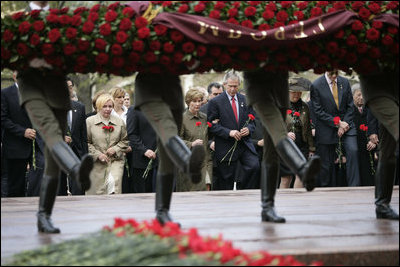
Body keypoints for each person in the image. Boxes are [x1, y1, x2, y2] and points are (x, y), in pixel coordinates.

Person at [243, 69, 321, 223]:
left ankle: (267, 207)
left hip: (279, 92)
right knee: (279, 132)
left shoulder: (300, 105)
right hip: (260, 90)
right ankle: (302, 168)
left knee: (271, 153)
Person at [134, 72, 206, 225]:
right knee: (168, 130)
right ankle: (187, 163)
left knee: (167, 156)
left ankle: (162, 211)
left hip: (173, 94)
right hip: (150, 91)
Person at [207, 71, 260, 190]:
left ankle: (244, 191)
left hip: (244, 143)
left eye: (235, 86)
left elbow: (253, 121)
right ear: (224, 84)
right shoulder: (216, 102)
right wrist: (228, 132)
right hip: (226, 145)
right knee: (227, 178)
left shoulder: (245, 100)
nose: (232, 89)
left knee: (254, 166)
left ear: (239, 85)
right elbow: (211, 125)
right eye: (230, 86)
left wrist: (248, 129)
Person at [359, 71, 398, 220]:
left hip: (394, 92)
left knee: (388, 151)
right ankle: (382, 204)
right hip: (378, 90)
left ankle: (382, 205)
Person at [311, 69, 360, 187]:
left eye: (336, 74)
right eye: (331, 74)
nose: (334, 76)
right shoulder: (316, 85)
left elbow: (350, 106)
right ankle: (325, 189)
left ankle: (354, 187)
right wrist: (337, 123)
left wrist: (344, 125)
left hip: (347, 125)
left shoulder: (345, 82)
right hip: (327, 126)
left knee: (353, 150)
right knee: (326, 163)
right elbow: (318, 111)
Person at [1, 71, 43, 197]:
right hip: (15, 147)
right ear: (14, 76)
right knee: (16, 186)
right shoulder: (5, 93)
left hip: (37, 147)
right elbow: (3, 119)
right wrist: (22, 131)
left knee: (38, 183)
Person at [86, 94, 129, 195]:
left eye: (110, 106)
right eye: (104, 106)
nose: (107, 109)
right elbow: (85, 143)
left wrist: (116, 149)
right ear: (98, 107)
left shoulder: (119, 121)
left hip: (115, 162)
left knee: (113, 187)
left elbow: (125, 140)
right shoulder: (89, 121)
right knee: (96, 193)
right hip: (96, 164)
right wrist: (98, 155)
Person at [279, 77, 315, 189]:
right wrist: (285, 134)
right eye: (294, 92)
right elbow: (274, 125)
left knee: (301, 175)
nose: (297, 95)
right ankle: (283, 203)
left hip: (302, 143)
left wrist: (311, 148)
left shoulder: (305, 106)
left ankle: (297, 202)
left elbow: (308, 128)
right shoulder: (281, 105)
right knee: (286, 177)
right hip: (286, 145)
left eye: (299, 92)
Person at [58, 77, 89, 196]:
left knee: (78, 189)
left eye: (70, 87)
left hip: (77, 153)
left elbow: (83, 135)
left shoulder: (79, 107)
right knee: (60, 189)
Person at [177, 88, 210, 191]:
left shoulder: (204, 118)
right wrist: (191, 144)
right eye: (194, 101)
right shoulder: (182, 119)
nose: (197, 104)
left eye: (199, 101)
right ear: (188, 102)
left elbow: (209, 136)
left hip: (206, 162)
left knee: (207, 189)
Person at [126, 107, 158, 193]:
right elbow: (132, 135)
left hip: (160, 160)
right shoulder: (134, 110)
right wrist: (144, 150)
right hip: (142, 161)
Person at [351, 84, 377, 186]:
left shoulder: (370, 109)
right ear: (352, 96)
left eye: (363, 95)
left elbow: (375, 125)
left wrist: (373, 141)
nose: (362, 98)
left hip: (371, 147)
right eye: (358, 95)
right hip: (357, 148)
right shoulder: (349, 111)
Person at [109, 87, 132, 193]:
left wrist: (129, 147)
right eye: (119, 97)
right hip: (112, 152)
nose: (122, 100)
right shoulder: (108, 113)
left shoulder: (129, 113)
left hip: (130, 150)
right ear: (113, 98)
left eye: (123, 97)